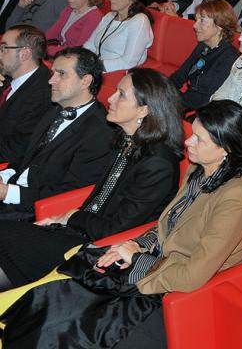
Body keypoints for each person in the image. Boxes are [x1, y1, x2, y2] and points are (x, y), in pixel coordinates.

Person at [0, 99, 242, 347]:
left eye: (199, 139)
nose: (188, 142)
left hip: (174, 289)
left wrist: (137, 260)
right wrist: (133, 244)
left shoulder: (236, 198)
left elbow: (193, 274)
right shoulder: (199, 171)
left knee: (76, 324)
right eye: (192, 133)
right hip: (153, 266)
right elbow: (164, 227)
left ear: (227, 149)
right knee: (61, 297)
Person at [0, 68, 183, 290]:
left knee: (7, 236)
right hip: (79, 231)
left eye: (121, 94)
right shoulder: (128, 142)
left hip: (97, 250)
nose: (110, 98)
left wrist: (72, 217)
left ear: (143, 110)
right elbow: (99, 200)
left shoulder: (158, 165)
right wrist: (62, 219)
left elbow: (116, 229)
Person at [0, 47, 115, 219]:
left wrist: (8, 192)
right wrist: (4, 175)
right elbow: (26, 157)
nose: (51, 80)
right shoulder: (56, 109)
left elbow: (68, 195)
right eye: (53, 73)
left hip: (35, 212)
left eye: (61, 74)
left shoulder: (101, 132)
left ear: (85, 81)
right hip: (14, 190)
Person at [170, 0, 240, 112]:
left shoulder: (229, 58)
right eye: (196, 20)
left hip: (201, 112)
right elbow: (179, 76)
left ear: (219, 26)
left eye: (202, 20)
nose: (195, 26)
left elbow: (204, 98)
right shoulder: (203, 46)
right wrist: (160, 89)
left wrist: (168, 101)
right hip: (185, 101)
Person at [0, 26, 53, 164]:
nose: (0, 54)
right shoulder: (10, 76)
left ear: (25, 54)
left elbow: (15, 150)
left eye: (4, 49)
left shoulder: (42, 95)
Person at [83, 0, 153, 72]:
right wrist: (79, 59)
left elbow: (128, 62)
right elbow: (89, 45)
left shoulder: (140, 21)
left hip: (115, 72)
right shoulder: (109, 16)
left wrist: (93, 66)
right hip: (96, 68)